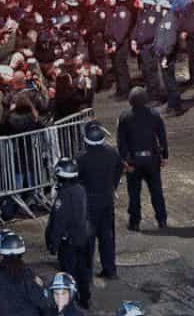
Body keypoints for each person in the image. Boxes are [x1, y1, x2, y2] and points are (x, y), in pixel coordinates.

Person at [117, 86, 169, 231]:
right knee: (156, 191)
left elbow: (121, 141)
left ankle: (134, 221)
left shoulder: (125, 117)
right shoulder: (154, 115)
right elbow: (162, 137)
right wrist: (165, 156)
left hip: (134, 160)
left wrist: (124, 160)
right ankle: (162, 219)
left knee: (134, 193)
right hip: (152, 159)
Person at [76, 120, 123, 280]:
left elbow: (76, 180)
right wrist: (112, 186)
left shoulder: (81, 159)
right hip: (106, 199)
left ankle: (87, 271)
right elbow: (119, 169)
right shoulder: (112, 153)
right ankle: (110, 269)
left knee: (88, 238)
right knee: (107, 236)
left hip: (88, 202)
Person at [46, 157, 93, 309]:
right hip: (83, 238)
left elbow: (59, 222)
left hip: (69, 242)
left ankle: (70, 305)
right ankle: (85, 299)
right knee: (83, 271)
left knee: (68, 275)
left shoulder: (64, 195)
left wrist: (54, 242)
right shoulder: (80, 189)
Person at [0, 232, 50, 316]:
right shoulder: (26, 275)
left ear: (2, 253)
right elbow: (42, 302)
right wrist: (41, 287)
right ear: (21, 254)